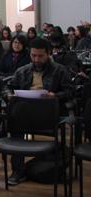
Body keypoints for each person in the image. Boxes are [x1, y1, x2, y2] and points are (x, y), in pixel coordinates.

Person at [6, 38, 73, 185]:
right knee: (15, 124)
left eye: (40, 56)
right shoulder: (22, 71)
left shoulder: (60, 70)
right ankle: (18, 170)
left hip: (48, 114)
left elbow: (70, 92)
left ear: (48, 54)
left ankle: (31, 168)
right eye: (33, 55)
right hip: (26, 113)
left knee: (17, 121)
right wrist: (9, 95)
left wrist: (55, 95)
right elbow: (8, 87)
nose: (36, 59)